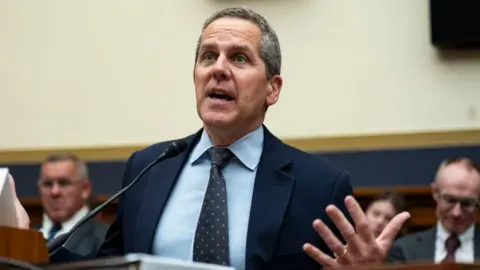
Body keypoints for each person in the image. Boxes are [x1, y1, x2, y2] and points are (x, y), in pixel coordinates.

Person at [10, 7, 409, 270]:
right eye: (207, 56)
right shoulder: (149, 168)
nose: (218, 69)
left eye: (239, 58)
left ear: (273, 88)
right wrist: (20, 243)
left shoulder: (319, 184)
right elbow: (109, 265)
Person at [388, 157, 480, 263]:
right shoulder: (404, 250)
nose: (456, 213)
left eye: (467, 203)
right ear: (435, 193)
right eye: (450, 200)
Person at [36, 153, 109, 256]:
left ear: (85, 189)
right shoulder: (23, 239)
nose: (54, 192)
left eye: (63, 183)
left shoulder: (105, 238)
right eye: (48, 184)